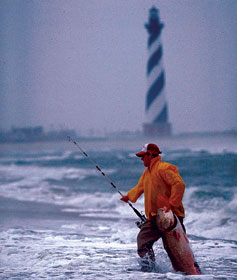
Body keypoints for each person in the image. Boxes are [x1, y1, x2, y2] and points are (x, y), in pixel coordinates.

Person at [120, 143, 186, 272]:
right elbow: (140, 188)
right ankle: (149, 270)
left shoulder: (164, 168)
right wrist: (129, 197)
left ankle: (194, 273)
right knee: (143, 241)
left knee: (177, 250)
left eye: (143, 156)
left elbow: (179, 184)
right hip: (154, 217)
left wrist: (172, 205)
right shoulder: (147, 173)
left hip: (170, 217)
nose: (141, 159)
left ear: (150, 154)